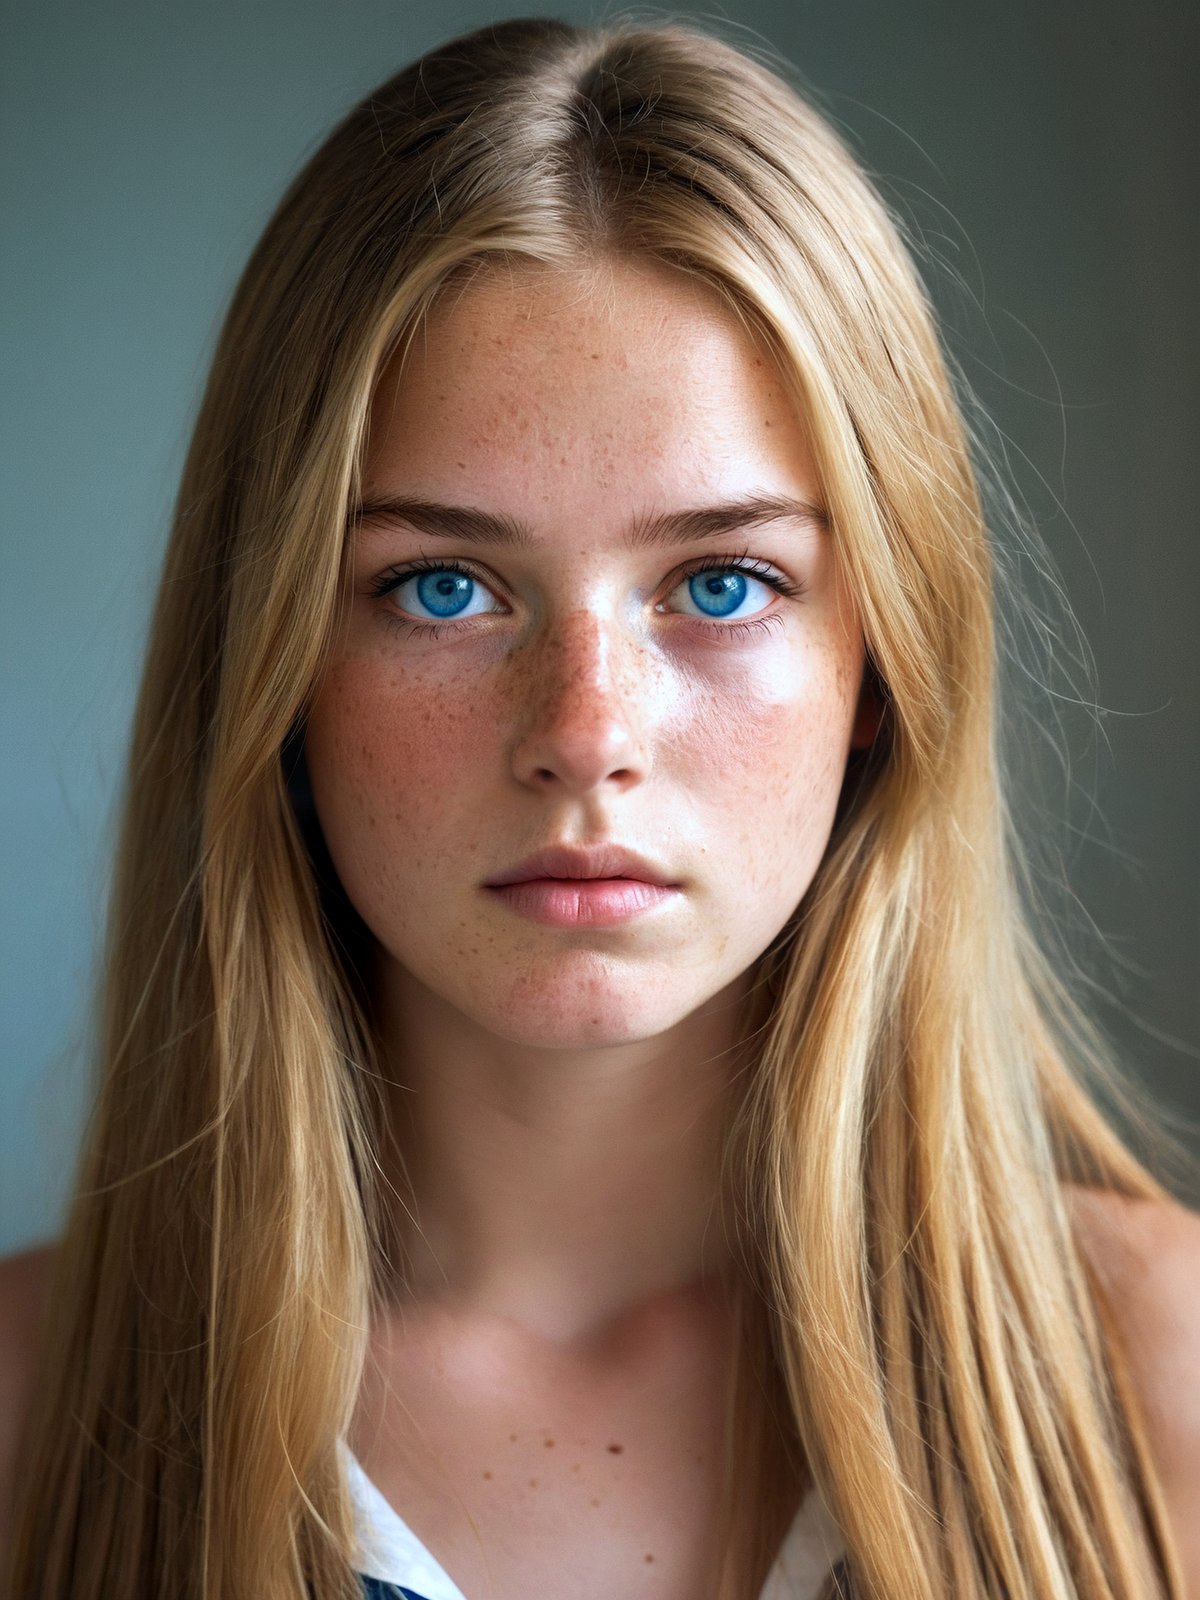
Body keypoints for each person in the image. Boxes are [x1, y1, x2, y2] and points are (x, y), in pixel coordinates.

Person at [0, 15, 1197, 1599]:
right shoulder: (27, 1427)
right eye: (442, 589)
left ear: (888, 662)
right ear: (273, 658)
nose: (585, 735)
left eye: (721, 581)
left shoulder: (1160, 1384)